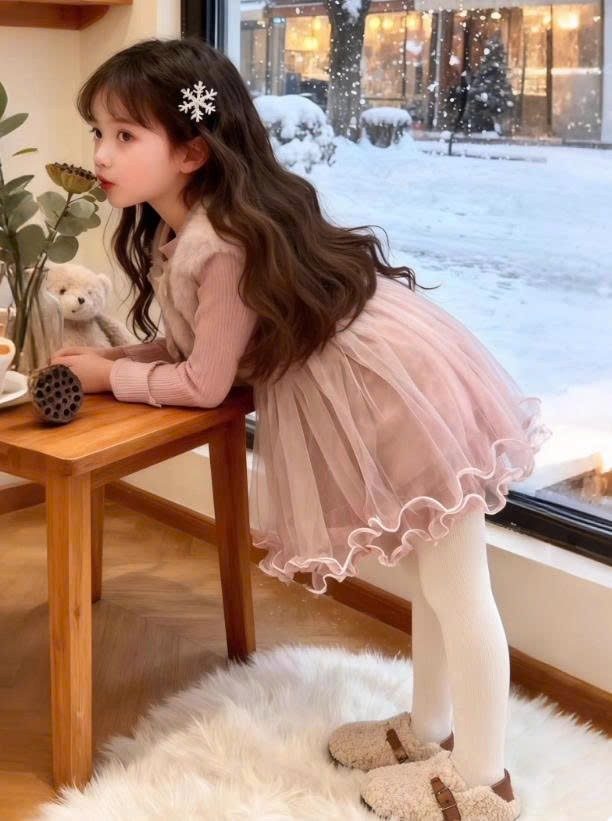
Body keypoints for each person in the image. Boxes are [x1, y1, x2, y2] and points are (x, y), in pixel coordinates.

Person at [51, 36, 552, 820]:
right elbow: (200, 349)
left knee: (456, 586)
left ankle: (486, 781)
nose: (101, 155)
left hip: (396, 389)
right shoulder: (183, 231)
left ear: (191, 152)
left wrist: (111, 374)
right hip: (378, 386)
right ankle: (429, 729)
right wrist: (114, 359)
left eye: (124, 135)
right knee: (434, 580)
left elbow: (204, 382)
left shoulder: (222, 242)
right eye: (98, 133)